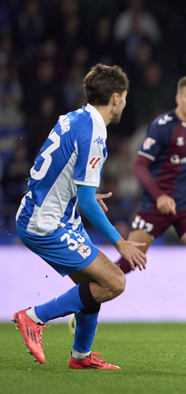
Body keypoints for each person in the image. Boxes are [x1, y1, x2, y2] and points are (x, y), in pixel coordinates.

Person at [13, 64, 147, 369]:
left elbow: (51, 167)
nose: (125, 102)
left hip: (49, 213)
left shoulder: (74, 117)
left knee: (94, 283)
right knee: (114, 282)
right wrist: (120, 242)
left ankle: (81, 356)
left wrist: (76, 191)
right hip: (46, 223)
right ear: (115, 98)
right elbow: (87, 204)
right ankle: (34, 317)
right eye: (124, 97)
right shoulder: (95, 133)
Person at [83, 74, 186, 340]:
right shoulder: (162, 126)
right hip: (155, 205)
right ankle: (84, 306)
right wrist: (160, 196)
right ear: (178, 98)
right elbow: (140, 166)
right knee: (129, 262)